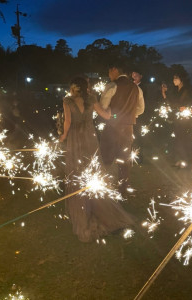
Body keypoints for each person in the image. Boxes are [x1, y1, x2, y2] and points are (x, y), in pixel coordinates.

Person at [60, 77, 134, 242]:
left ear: (73, 87)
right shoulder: (92, 99)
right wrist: (116, 111)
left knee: (77, 173)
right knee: (93, 171)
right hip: (90, 139)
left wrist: (63, 135)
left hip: (75, 140)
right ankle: (100, 207)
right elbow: (106, 115)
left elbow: (68, 122)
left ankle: (82, 210)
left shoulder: (67, 101)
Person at [100, 63, 144, 193]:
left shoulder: (112, 85)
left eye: (109, 72)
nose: (109, 75)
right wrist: (129, 114)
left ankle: (102, 186)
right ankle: (123, 188)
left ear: (114, 69)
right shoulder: (136, 88)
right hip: (128, 128)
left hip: (112, 127)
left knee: (106, 156)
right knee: (124, 159)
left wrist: (113, 115)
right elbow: (141, 109)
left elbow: (103, 106)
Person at [171, 73, 192, 167]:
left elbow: (190, 102)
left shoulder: (187, 90)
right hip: (177, 117)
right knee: (178, 138)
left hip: (185, 118)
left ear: (182, 79)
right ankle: (179, 159)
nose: (174, 80)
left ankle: (185, 160)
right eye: (173, 78)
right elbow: (173, 102)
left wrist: (186, 107)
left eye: (176, 78)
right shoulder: (176, 90)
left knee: (183, 138)